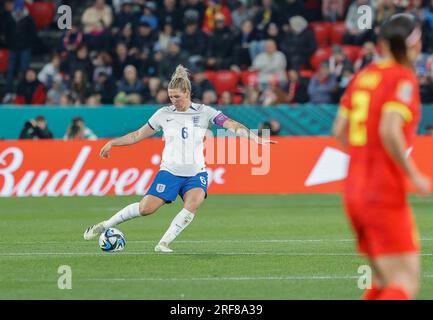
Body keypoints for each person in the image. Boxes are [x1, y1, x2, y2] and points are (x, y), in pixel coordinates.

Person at [83, 65, 276, 253]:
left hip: (195, 172)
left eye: (177, 96)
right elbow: (136, 135)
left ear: (187, 93)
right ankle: (106, 224)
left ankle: (163, 244)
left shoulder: (204, 112)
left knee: (193, 203)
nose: (173, 100)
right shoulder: (163, 114)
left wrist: (254, 137)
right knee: (146, 209)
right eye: (170, 96)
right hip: (170, 172)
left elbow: (231, 124)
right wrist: (112, 143)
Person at [332, 14, 431, 300]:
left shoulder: (363, 76)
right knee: (404, 282)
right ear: (415, 44)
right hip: (383, 191)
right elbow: (389, 129)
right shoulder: (403, 78)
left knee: (385, 281)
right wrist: (413, 174)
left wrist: (365, 155)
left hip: (354, 190)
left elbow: (339, 130)